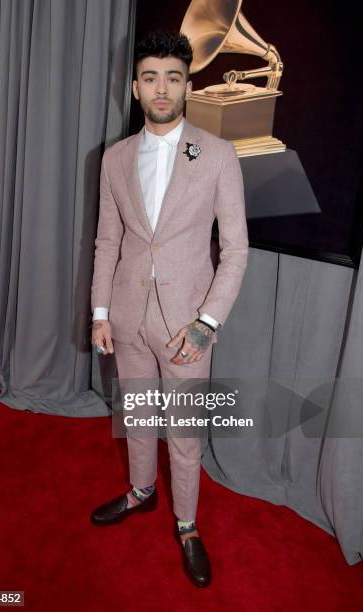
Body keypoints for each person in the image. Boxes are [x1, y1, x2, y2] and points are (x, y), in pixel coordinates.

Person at [90, 29, 248, 588]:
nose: (162, 88)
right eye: (151, 77)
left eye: (173, 78)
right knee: (136, 415)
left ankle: (186, 523)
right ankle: (141, 492)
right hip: (128, 317)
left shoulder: (219, 155)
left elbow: (236, 251)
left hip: (187, 326)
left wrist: (206, 324)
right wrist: (100, 312)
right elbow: (108, 241)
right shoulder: (113, 158)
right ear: (136, 87)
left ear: (187, 85)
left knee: (182, 431)